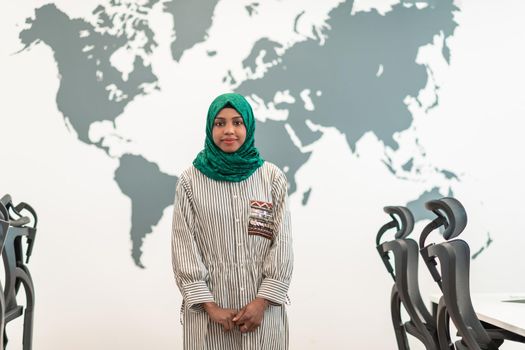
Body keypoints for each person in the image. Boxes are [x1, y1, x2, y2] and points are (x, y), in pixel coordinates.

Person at [171, 93, 294, 349]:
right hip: (211, 315)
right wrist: (210, 306)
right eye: (220, 123)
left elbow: (282, 243)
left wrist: (262, 302)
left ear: (248, 126)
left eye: (237, 122)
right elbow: (183, 246)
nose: (229, 130)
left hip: (263, 311)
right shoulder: (190, 181)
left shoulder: (271, 179)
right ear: (210, 127)